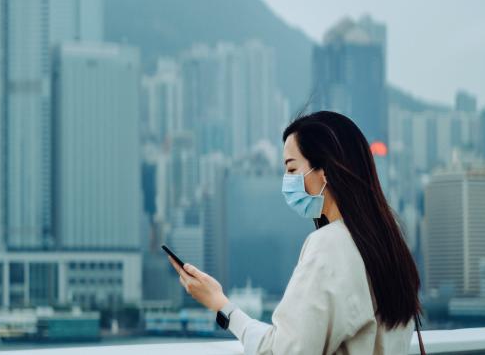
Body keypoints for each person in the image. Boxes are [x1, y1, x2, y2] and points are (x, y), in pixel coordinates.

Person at [168, 110, 425, 354]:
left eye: (292, 169)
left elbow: (285, 350)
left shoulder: (330, 245)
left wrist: (219, 303)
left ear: (325, 172)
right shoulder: (389, 245)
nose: (286, 180)